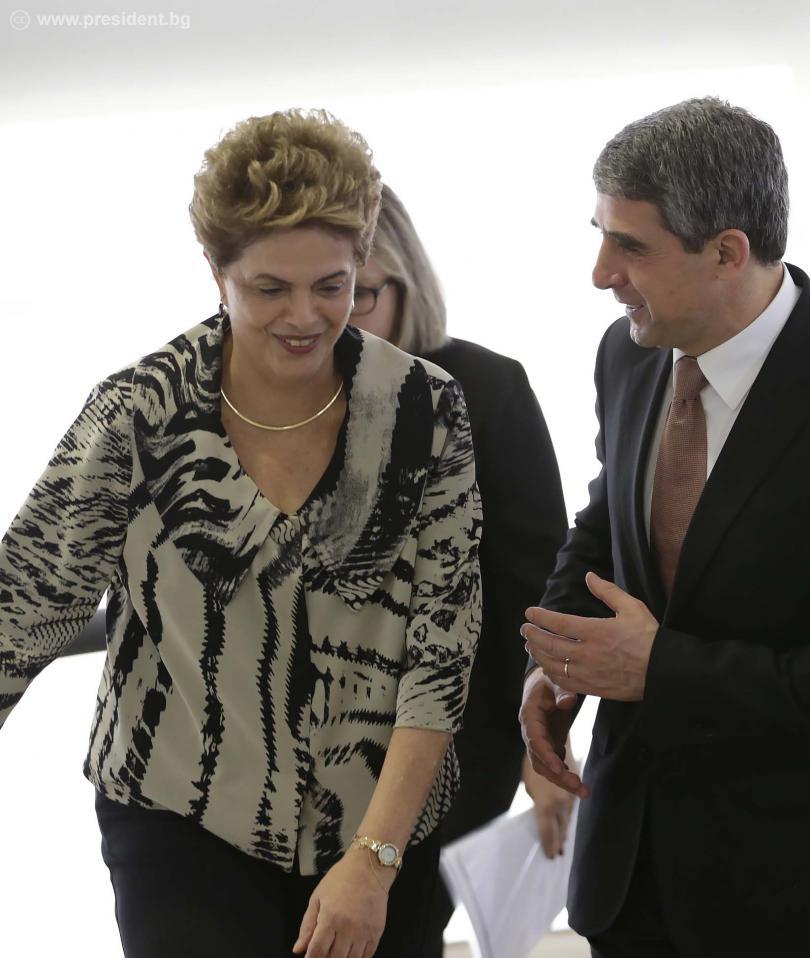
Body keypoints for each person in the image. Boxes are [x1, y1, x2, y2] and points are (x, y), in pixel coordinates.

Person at [0, 108, 482, 958]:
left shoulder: (425, 410)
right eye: (269, 288)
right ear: (216, 272)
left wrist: (373, 861)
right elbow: (23, 609)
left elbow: (441, 652)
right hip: (179, 815)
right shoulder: (139, 413)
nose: (305, 316)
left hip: (380, 819)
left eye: (331, 285)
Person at [518, 97, 810, 958]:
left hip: (801, 898)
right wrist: (555, 661)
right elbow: (608, 522)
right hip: (632, 877)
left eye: (630, 246)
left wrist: (658, 668)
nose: (602, 273)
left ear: (727, 253)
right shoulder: (628, 351)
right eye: (601, 236)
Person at [347, 185, 571, 956]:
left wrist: (545, 748)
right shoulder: (255, 395)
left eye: (356, 293)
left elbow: (537, 589)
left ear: (404, 283)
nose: (327, 319)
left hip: (451, 751)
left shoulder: (484, 388)